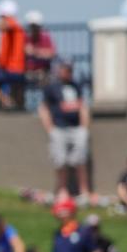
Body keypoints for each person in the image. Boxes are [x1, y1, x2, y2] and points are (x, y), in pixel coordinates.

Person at [38, 61, 91, 201]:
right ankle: (62, 191)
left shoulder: (76, 86)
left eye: (70, 70)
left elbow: (83, 106)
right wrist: (50, 129)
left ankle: (84, 192)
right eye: (65, 69)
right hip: (59, 129)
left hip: (76, 129)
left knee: (80, 160)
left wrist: (84, 128)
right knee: (60, 161)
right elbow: (43, 108)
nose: (68, 72)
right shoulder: (51, 87)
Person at [24, 11, 56, 84]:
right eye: (32, 27)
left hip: (43, 72)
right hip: (27, 72)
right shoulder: (25, 38)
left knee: (49, 80)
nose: (33, 29)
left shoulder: (45, 37)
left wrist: (35, 51)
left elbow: (51, 53)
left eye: (35, 27)